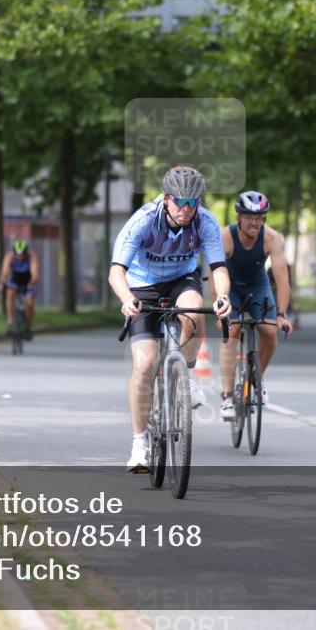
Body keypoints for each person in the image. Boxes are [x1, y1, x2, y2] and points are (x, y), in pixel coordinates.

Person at [108, 166, 232, 473]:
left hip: (181, 279)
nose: (187, 209)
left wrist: (223, 297)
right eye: (181, 202)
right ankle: (140, 444)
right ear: (166, 199)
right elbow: (116, 271)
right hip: (141, 286)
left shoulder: (204, 221)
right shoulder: (143, 221)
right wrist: (127, 300)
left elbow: (218, 267)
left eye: (194, 202)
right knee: (145, 364)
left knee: (194, 311)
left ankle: (187, 374)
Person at [212, 191, 294, 422]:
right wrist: (218, 307)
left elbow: (282, 278)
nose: (254, 222)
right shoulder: (225, 237)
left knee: (269, 330)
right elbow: (214, 275)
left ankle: (257, 379)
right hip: (230, 287)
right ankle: (228, 397)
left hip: (258, 286)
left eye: (259, 217)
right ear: (239, 217)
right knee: (233, 330)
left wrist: (281, 314)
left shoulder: (272, 238)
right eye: (249, 217)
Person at [0, 239, 39, 339]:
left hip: (28, 281)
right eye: (18, 255)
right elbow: (5, 272)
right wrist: (3, 282)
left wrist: (32, 282)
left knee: (29, 302)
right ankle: (10, 322)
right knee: (10, 293)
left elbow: (35, 272)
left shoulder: (31, 256)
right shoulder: (9, 257)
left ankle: (28, 327)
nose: (20, 257)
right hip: (15, 280)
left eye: (22, 255)